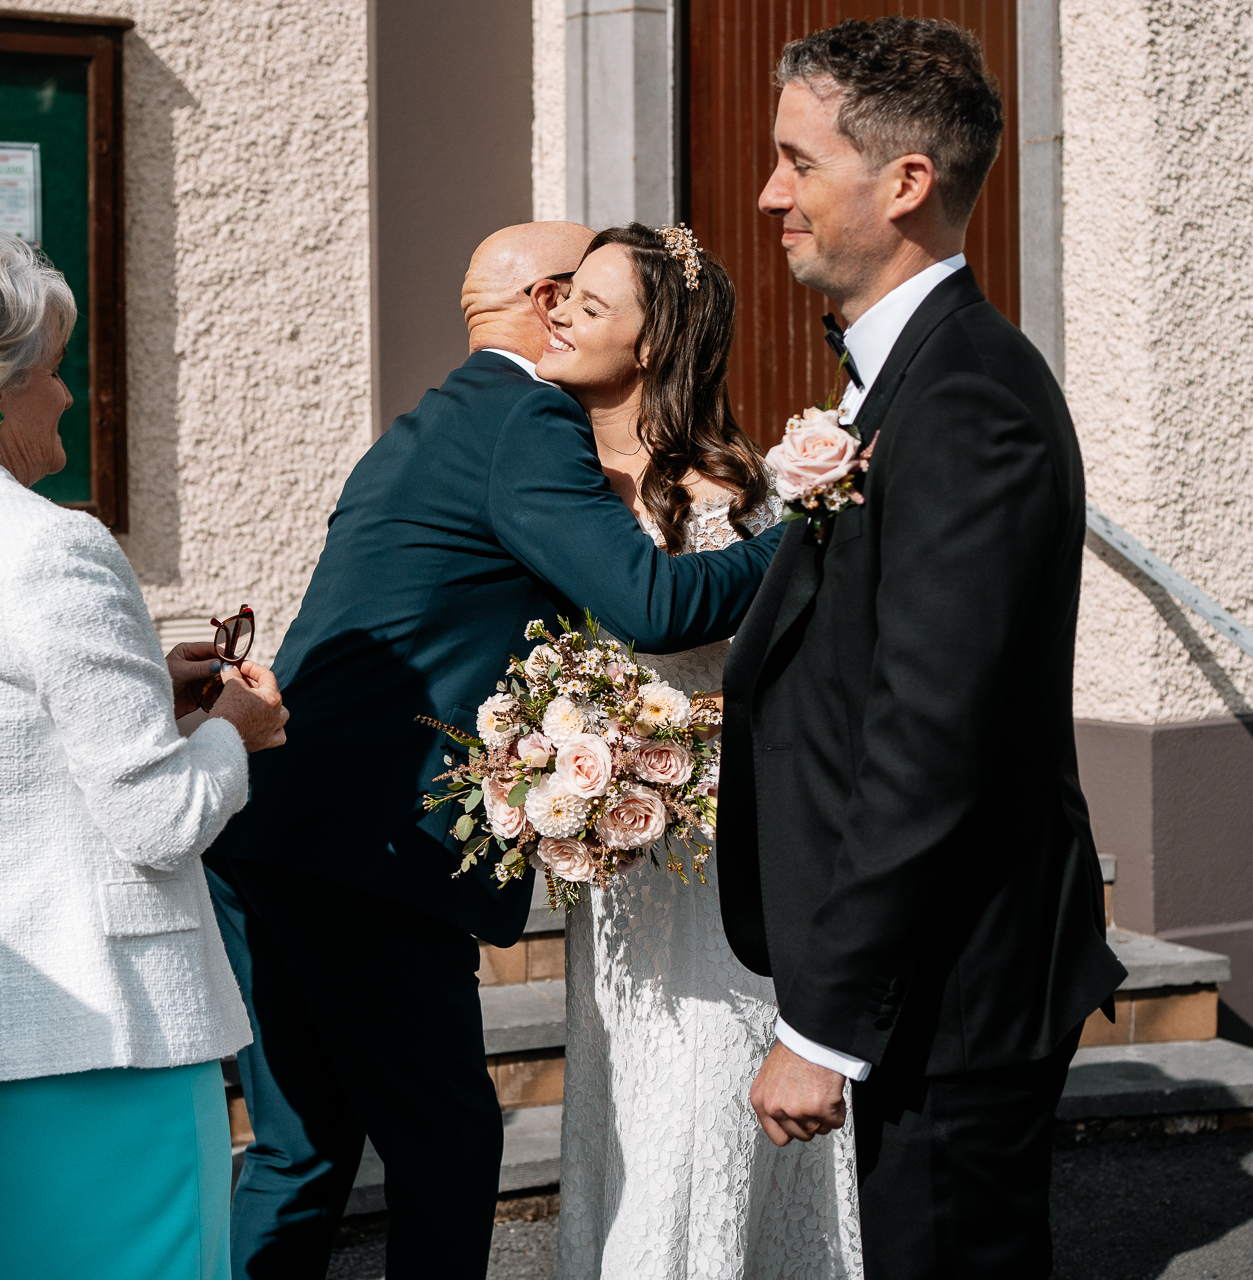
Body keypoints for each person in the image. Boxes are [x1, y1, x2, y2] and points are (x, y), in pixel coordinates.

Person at [206, 221, 785, 1279]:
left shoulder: (428, 422)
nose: (573, 317)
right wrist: (811, 529)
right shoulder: (527, 419)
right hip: (368, 851)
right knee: (446, 1143)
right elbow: (651, 602)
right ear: (554, 296)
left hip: (274, 820)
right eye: (577, 295)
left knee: (301, 1148)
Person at [720, 20, 1126, 1279]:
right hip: (928, 979)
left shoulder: (967, 399)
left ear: (904, 182)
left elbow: (932, 730)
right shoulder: (905, 381)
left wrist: (831, 1025)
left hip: (955, 985)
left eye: (797, 160)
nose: (768, 192)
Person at [0, 223, 289, 1280]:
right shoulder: (52, 542)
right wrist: (233, 731)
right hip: (90, 1043)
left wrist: (150, 693)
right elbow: (158, 822)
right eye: (53, 373)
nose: (69, 396)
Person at [543, 223, 864, 1279]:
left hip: (715, 835)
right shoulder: (548, 473)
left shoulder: (721, 490)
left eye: (590, 305)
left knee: (706, 1081)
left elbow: (765, 661)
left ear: (652, 346)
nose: (561, 314)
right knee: (627, 1082)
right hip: (613, 846)